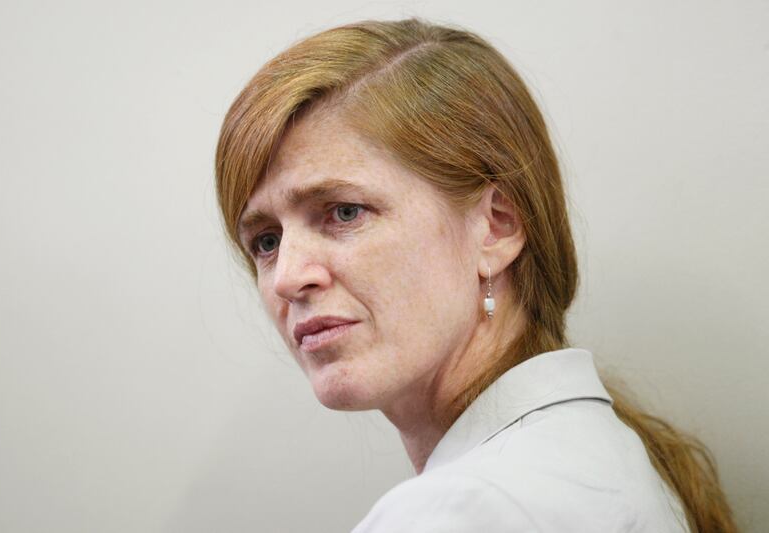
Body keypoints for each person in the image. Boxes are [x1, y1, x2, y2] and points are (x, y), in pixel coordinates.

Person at [214, 18, 737, 532]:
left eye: (344, 212)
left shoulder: (464, 511)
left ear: (496, 227)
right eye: (266, 241)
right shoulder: (598, 456)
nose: (286, 278)